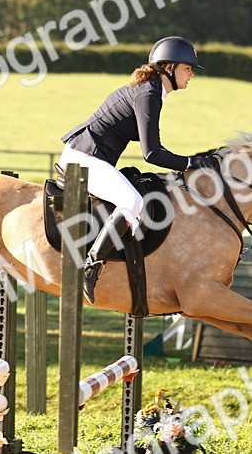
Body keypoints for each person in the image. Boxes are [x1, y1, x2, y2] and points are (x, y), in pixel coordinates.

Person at [60, 36, 210, 302]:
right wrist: (189, 163)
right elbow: (151, 153)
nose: (191, 75)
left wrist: (185, 162)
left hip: (90, 156)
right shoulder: (149, 93)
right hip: (85, 158)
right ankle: (91, 266)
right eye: (188, 69)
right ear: (169, 67)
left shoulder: (151, 89)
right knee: (132, 201)